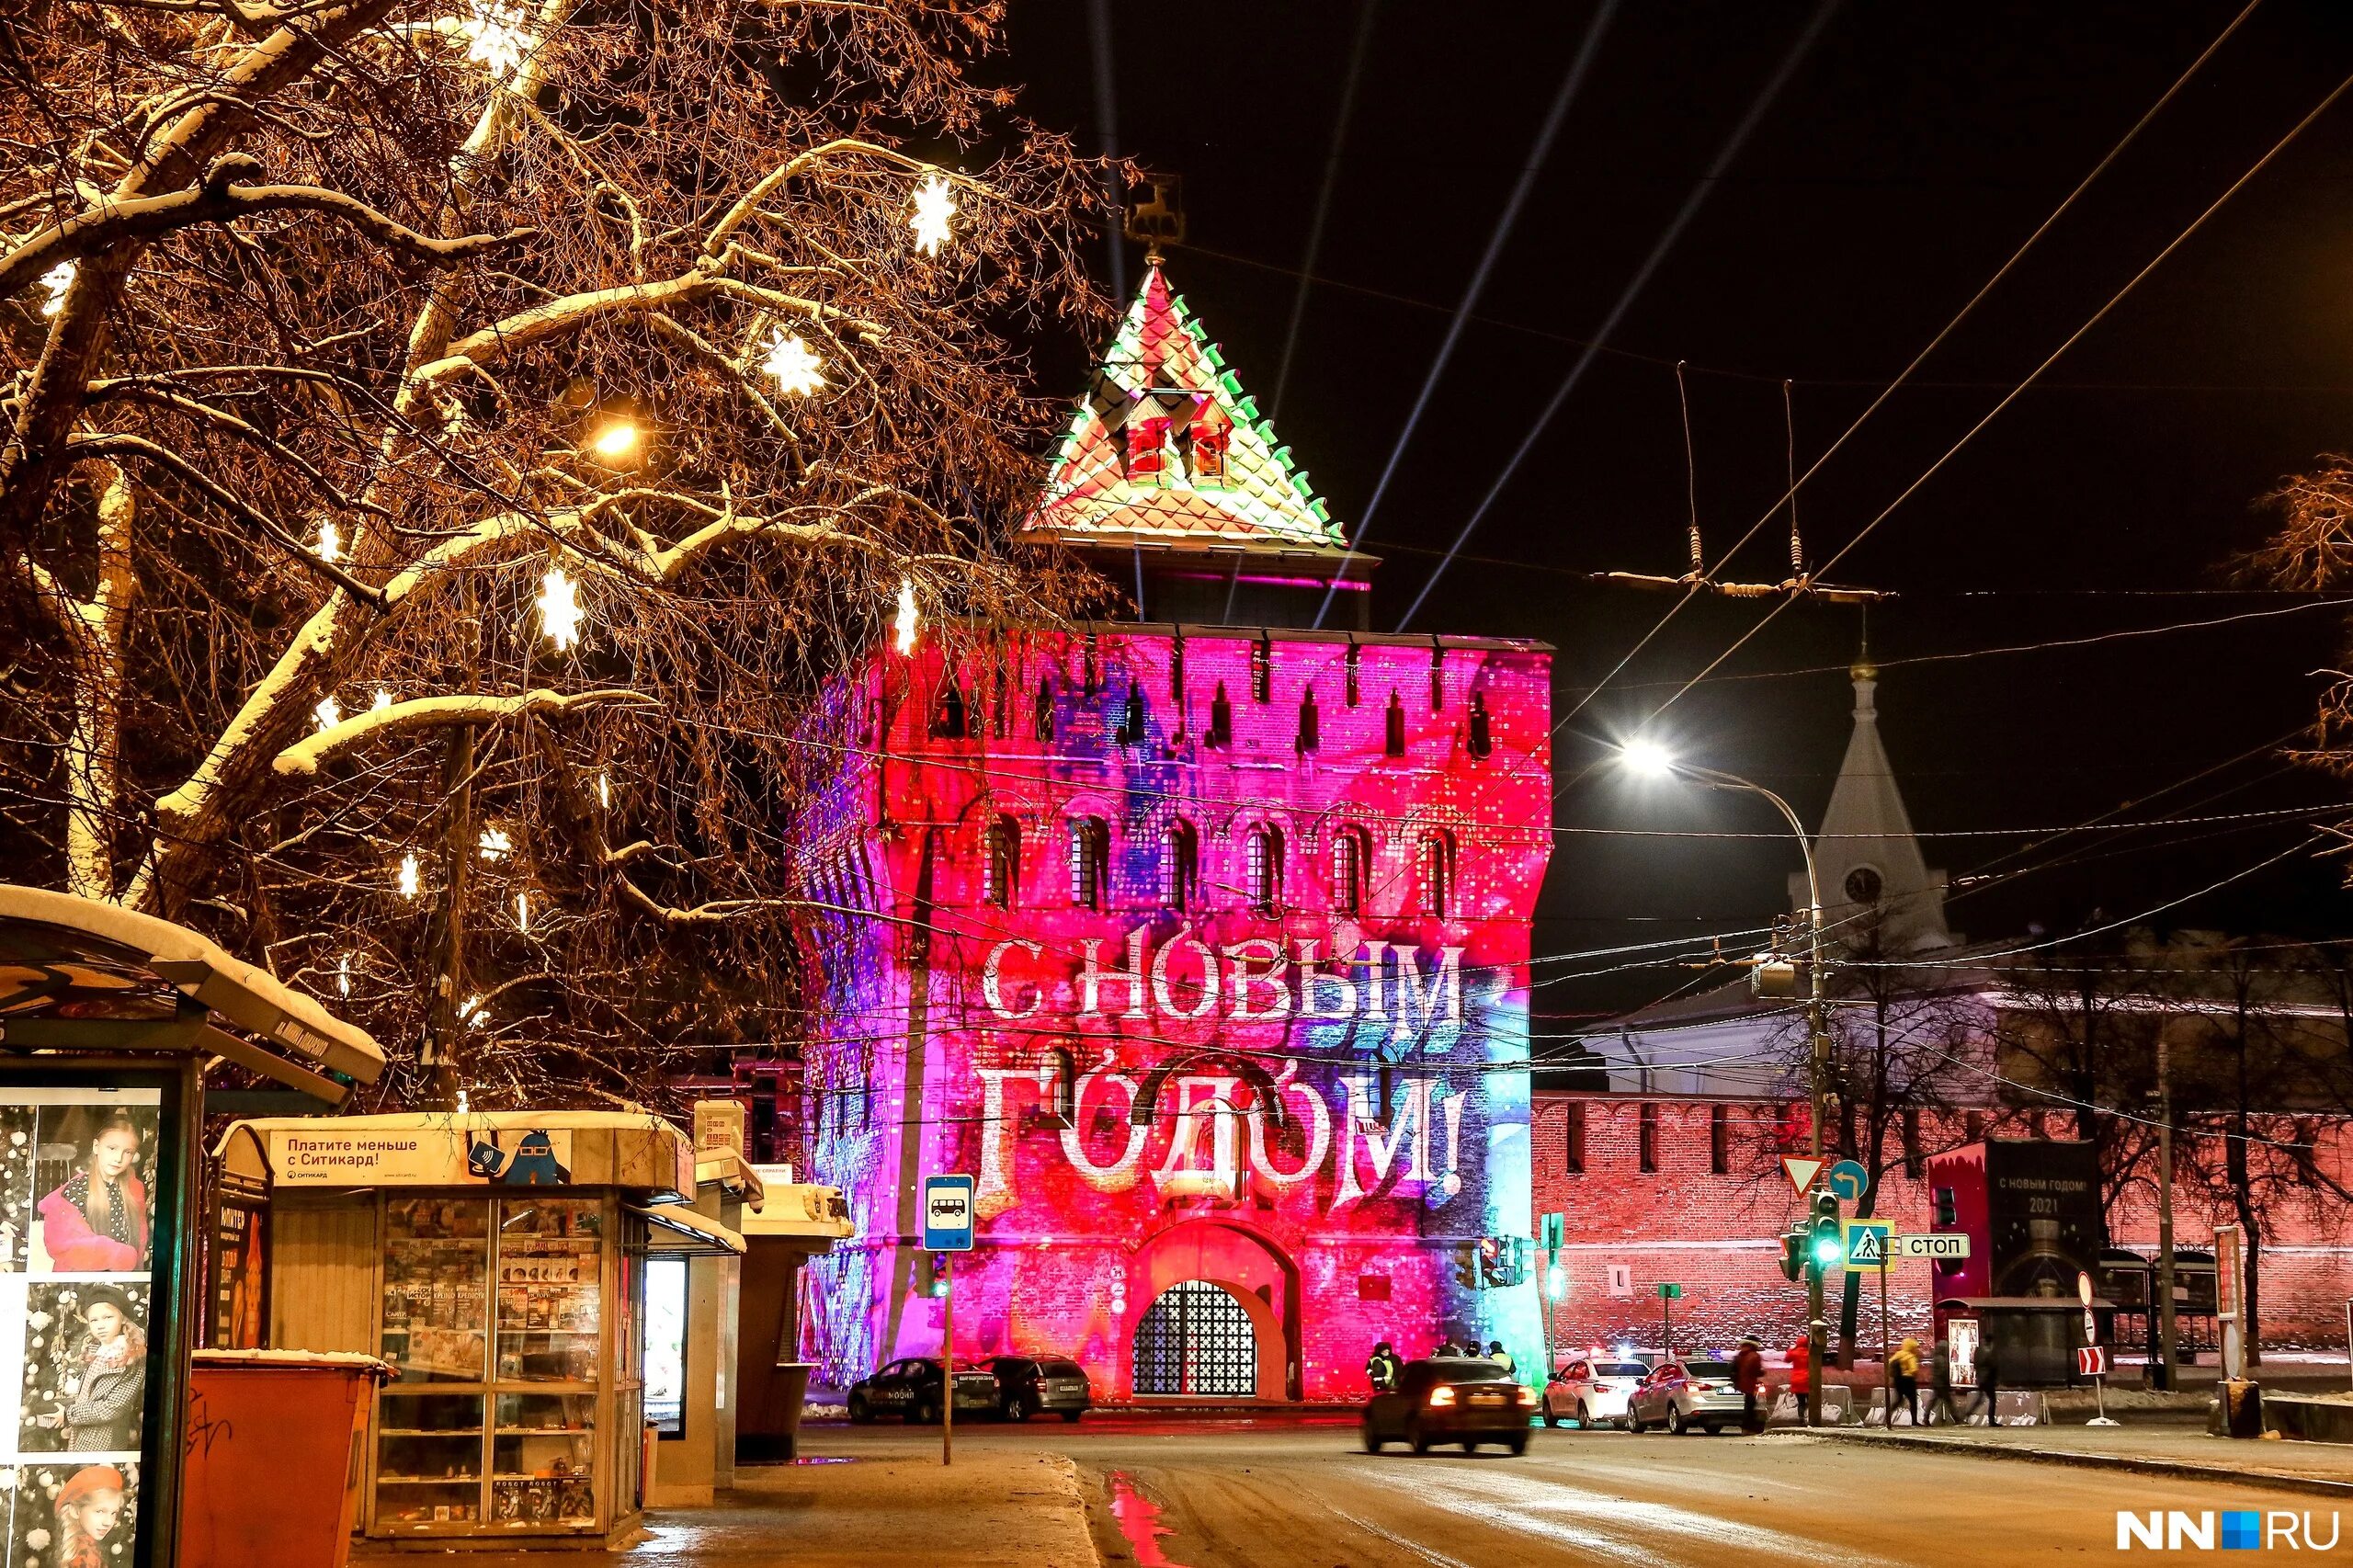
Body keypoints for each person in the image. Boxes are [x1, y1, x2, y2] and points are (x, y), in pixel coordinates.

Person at [34, 1288, 145, 1451]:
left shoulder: (131, 1357)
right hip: (83, 1435)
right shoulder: (97, 1352)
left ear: (122, 1319)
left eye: (108, 1318)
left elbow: (113, 1407)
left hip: (105, 1441)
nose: (100, 1326)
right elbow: (91, 1395)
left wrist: (69, 1414)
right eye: (94, 1320)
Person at [38, 1116, 147, 1272]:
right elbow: (68, 1246)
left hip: (126, 1284)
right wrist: (121, 1256)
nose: (118, 1158)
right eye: (112, 1148)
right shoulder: (77, 1191)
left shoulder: (133, 1191)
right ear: (96, 1146)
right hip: (81, 1285)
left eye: (127, 1152)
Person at [53, 1464, 126, 1568]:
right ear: (75, 1511)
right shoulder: (85, 1556)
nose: (108, 1522)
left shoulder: (84, 1546)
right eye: (100, 1511)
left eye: (113, 1513)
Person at [1926, 1336, 1965, 1426]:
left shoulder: (1936, 1358)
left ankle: (1926, 1418)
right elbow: (1943, 1373)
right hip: (1941, 1384)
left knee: (1934, 1401)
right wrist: (1948, 1384)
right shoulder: (1941, 1359)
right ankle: (1957, 1419)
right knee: (1949, 1402)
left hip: (1937, 1383)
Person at [1732, 1335, 1767, 1433]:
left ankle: (1746, 1427)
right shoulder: (1754, 1356)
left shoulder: (1741, 1354)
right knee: (1750, 1406)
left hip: (1741, 1383)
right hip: (1750, 1383)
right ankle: (1748, 1428)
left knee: (1748, 1405)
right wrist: (1762, 1372)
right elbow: (1755, 1371)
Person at [1888, 1335, 1921, 1426]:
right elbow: (1914, 1369)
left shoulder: (1898, 1354)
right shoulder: (1910, 1356)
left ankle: (1888, 1416)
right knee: (1913, 1401)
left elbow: (1890, 1362)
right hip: (1908, 1380)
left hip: (1898, 1380)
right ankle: (1914, 1421)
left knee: (1899, 1399)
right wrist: (1909, 1372)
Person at [1786, 1333, 1813, 1424]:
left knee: (1801, 1402)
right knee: (1811, 1400)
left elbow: (1787, 1359)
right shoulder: (1809, 1353)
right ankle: (1811, 1417)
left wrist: (1790, 1349)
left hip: (1796, 1380)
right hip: (1807, 1379)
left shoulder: (1794, 1352)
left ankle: (1801, 1419)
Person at [1972, 1337, 2001, 1425]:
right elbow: (1993, 1366)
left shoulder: (1978, 1351)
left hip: (1981, 1378)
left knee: (1979, 1399)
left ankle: (1967, 1414)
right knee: (1992, 1399)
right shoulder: (1988, 1352)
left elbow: (1975, 1365)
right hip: (1987, 1379)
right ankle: (1991, 1421)